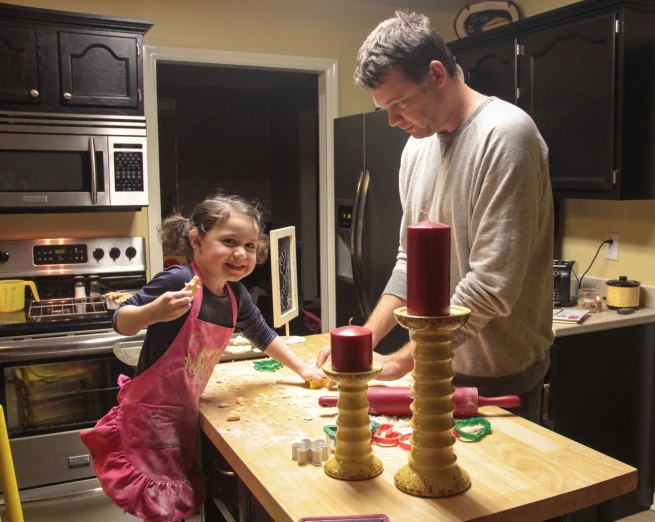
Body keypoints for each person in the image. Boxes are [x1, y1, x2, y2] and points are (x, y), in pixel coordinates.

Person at [317, 11, 554, 422]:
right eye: (384, 108)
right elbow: (410, 262)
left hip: (498, 379)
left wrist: (399, 362)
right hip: (433, 368)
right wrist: (367, 340)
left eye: (399, 103)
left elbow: (491, 285)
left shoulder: (507, 136)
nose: (392, 121)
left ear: (436, 74)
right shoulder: (416, 149)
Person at [81, 193, 325, 522]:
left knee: (176, 496)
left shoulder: (235, 294)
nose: (241, 254)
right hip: (151, 414)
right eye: (229, 241)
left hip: (185, 409)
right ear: (196, 240)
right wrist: (153, 311)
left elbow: (263, 335)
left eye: (250, 246)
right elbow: (121, 320)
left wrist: (302, 368)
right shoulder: (179, 280)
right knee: (161, 501)